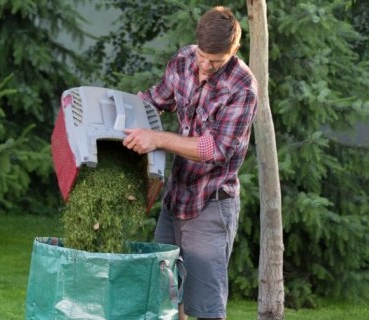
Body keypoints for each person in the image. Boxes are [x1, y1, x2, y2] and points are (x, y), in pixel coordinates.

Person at [122, 6, 257, 320]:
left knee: (205, 309)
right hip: (175, 198)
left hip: (211, 204)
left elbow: (215, 150)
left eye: (216, 61)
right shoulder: (184, 60)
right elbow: (155, 100)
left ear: (234, 50)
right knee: (164, 297)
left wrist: (157, 138)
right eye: (203, 57)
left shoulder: (242, 88)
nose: (206, 67)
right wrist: (116, 115)